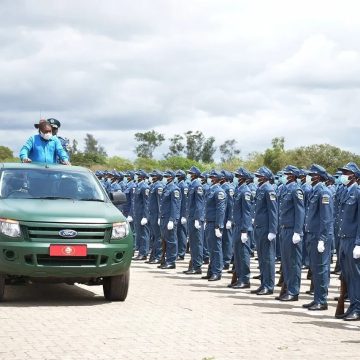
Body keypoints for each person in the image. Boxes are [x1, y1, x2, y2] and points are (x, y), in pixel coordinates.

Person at [302, 164, 333, 311]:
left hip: (319, 237)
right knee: (314, 268)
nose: (308, 177)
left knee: (320, 268)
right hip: (311, 235)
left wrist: (322, 239)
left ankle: (322, 300)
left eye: (311, 175)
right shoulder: (315, 191)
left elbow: (326, 219)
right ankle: (317, 299)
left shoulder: (324, 192)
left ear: (318, 177)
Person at [275, 165, 305, 302]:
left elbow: (300, 211)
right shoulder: (285, 188)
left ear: (292, 176)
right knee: (286, 262)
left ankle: (293, 292)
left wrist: (297, 232)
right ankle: (287, 288)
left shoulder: (296, 189)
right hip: (284, 228)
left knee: (293, 262)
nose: (283, 175)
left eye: (286, 174)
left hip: (292, 230)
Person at [336, 162, 360, 320]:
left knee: (356, 275)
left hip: (353, 239)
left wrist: (359, 243)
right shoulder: (345, 191)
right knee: (347, 275)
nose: (344, 175)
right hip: (343, 238)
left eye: (346, 172)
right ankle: (352, 306)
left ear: (354, 176)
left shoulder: (357, 192)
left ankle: (357, 308)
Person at [250, 166, 278, 295]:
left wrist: (273, 230)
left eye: (259, 176)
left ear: (265, 177)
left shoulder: (269, 189)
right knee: (261, 257)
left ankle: (269, 286)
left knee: (268, 258)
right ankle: (263, 283)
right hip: (259, 227)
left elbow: (273, 212)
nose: (257, 178)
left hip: (267, 229)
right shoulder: (261, 189)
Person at [228, 168, 252, 289]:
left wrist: (244, 230)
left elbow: (247, 213)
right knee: (237, 254)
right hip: (236, 226)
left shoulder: (245, 191)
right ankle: (239, 278)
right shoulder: (239, 190)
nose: (236, 178)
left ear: (243, 178)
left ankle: (245, 279)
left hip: (243, 227)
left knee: (243, 254)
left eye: (238, 176)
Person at [202, 170, 226, 281]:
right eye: (211, 176)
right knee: (211, 248)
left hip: (215, 224)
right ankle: (211, 271)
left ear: (219, 179)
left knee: (216, 249)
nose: (211, 178)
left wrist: (218, 226)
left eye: (213, 177)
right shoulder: (212, 190)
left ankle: (217, 272)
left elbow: (220, 210)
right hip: (209, 222)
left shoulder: (219, 191)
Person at [158, 170, 181, 269]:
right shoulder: (167, 188)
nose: (165, 178)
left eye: (167, 176)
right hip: (164, 217)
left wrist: (172, 219)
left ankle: (171, 261)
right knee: (164, 240)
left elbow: (175, 206)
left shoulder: (174, 189)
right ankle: (165, 260)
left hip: (169, 218)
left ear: (171, 177)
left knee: (171, 240)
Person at [183, 166, 205, 275]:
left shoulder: (197, 185)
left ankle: (197, 266)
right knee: (192, 242)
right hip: (191, 217)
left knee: (197, 243)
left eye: (191, 173)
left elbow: (199, 204)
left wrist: (197, 218)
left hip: (196, 218)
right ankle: (193, 264)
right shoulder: (193, 185)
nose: (189, 175)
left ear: (195, 175)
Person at [132, 170, 150, 261]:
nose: (136, 177)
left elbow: (147, 203)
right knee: (139, 233)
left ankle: (144, 253)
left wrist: (145, 216)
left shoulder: (144, 187)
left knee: (144, 234)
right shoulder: (138, 186)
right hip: (137, 214)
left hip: (142, 214)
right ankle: (140, 251)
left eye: (138, 175)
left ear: (142, 177)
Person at [146, 170, 164, 264]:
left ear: (157, 177)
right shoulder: (153, 185)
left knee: (158, 237)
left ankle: (158, 256)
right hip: (152, 214)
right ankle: (153, 256)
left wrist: (160, 216)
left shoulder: (159, 186)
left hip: (157, 215)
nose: (151, 177)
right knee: (153, 236)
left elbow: (160, 203)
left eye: (153, 176)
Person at [176, 170, 189, 260]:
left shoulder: (183, 186)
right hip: (178, 212)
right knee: (178, 233)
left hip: (182, 212)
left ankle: (181, 252)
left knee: (182, 233)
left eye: (178, 176)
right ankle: (179, 251)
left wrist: (184, 215)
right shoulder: (179, 184)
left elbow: (185, 201)